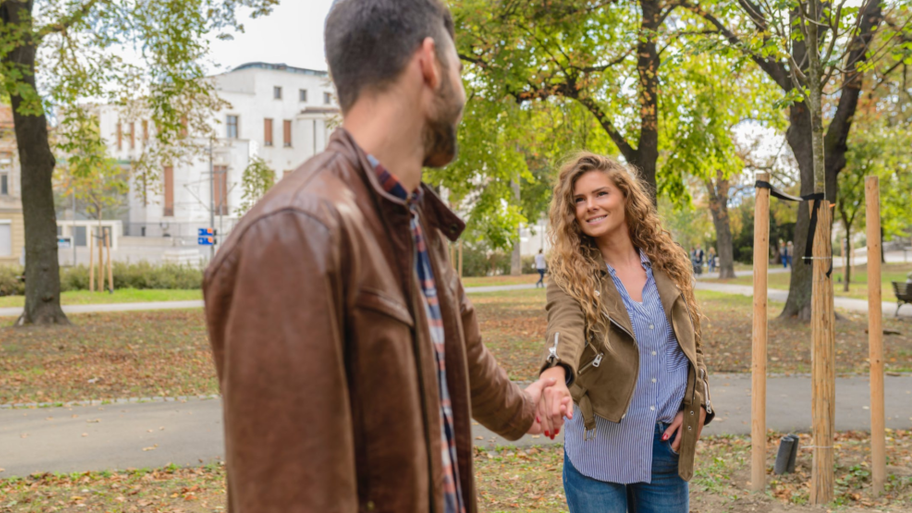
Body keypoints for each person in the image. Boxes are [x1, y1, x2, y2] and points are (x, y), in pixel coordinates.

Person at [202, 1, 563, 510]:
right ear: (430, 64)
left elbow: (461, 357)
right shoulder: (294, 233)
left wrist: (527, 407)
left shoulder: (414, 220)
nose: (462, 91)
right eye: (459, 71)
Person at [535, 153, 715, 513]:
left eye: (600, 194)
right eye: (579, 200)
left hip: (665, 451)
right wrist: (555, 372)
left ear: (624, 196)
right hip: (598, 452)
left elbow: (689, 344)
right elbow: (564, 326)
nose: (590, 206)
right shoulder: (569, 274)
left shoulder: (668, 262)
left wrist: (699, 405)